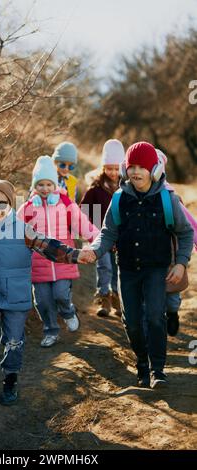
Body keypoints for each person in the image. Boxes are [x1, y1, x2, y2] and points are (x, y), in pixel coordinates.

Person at [0, 179, 91, 405]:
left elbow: (51, 248)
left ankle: (10, 378)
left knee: (14, 341)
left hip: (16, 294)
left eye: (1, 204)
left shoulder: (23, 230)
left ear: (10, 204)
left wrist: (76, 255)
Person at [85, 142, 194, 389]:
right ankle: (142, 364)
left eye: (142, 167)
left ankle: (158, 370)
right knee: (132, 321)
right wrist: (94, 250)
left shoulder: (168, 199)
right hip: (128, 269)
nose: (136, 172)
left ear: (154, 170)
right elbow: (108, 232)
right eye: (131, 166)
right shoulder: (119, 199)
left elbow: (185, 233)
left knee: (156, 316)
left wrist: (181, 264)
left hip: (158, 269)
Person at [17, 156, 99, 347]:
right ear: (34, 186)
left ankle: (68, 311)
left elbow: (83, 224)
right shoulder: (27, 208)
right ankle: (51, 331)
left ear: (55, 184)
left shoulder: (65, 204)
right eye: (40, 185)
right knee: (43, 302)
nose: (45, 189)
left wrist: (96, 241)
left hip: (63, 259)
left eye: (48, 184)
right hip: (38, 263)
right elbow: (16, 233)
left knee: (61, 294)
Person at [80, 139, 125, 317]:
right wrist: (89, 232)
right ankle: (103, 297)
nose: (113, 173)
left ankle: (117, 297)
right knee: (104, 266)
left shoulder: (126, 188)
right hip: (101, 235)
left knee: (117, 267)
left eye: (116, 168)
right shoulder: (96, 189)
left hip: (121, 236)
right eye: (109, 168)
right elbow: (83, 211)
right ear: (103, 168)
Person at [156, 149, 197, 336]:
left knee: (172, 295)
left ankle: (172, 313)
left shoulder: (170, 197)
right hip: (147, 260)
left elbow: (190, 225)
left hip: (171, 257)